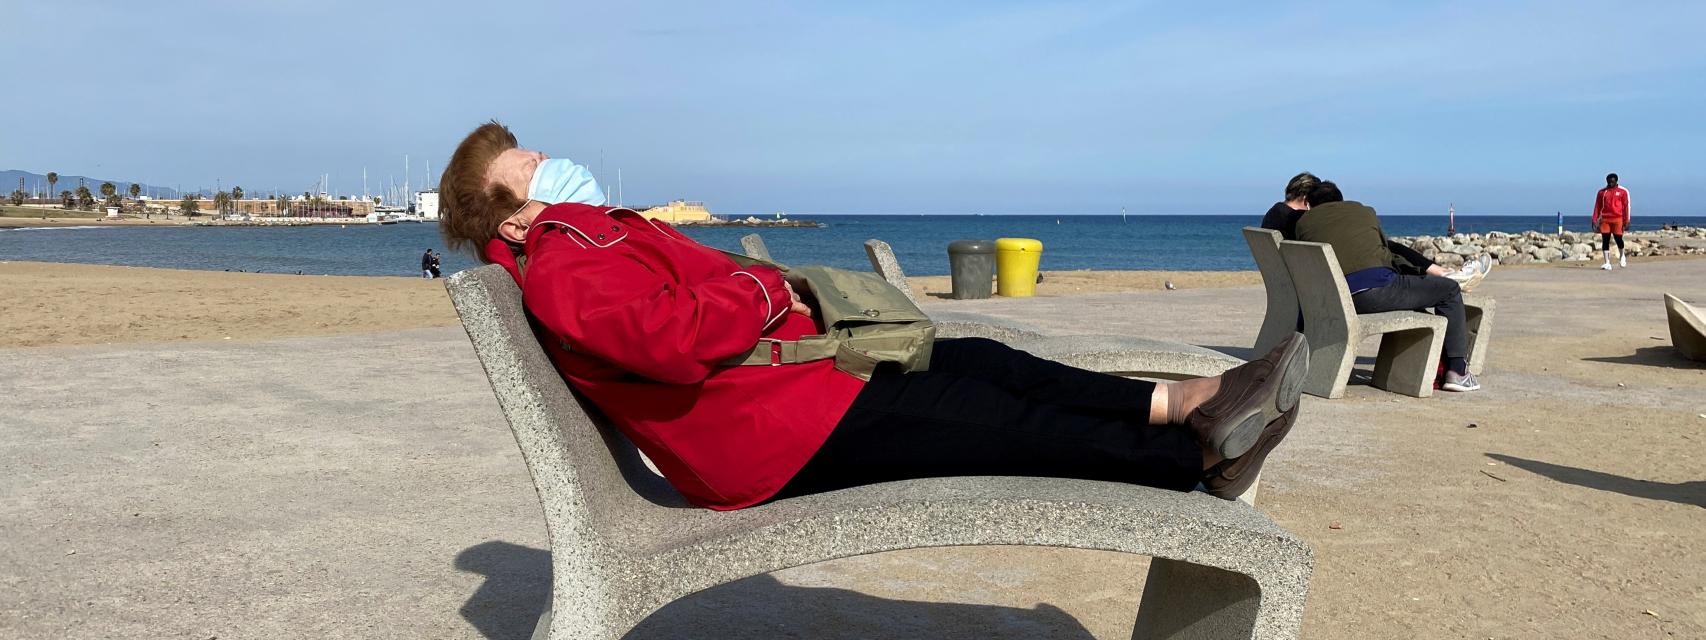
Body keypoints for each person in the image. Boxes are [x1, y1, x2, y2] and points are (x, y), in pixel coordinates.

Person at [436, 121, 1309, 511]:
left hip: (788, 395)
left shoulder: (574, 244)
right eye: (531, 165)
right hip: (771, 435)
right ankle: (1192, 459)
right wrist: (768, 291)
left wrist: (763, 298)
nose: (552, 162)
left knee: (981, 363)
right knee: (986, 417)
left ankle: (1190, 400)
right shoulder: (560, 258)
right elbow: (668, 339)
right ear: (511, 215)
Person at [1295, 181, 1481, 392]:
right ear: (1340, 199)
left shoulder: (1303, 224)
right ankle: (1457, 372)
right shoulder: (1364, 212)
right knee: (1449, 290)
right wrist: (1423, 271)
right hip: (1375, 294)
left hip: (1333, 300)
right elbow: (1386, 253)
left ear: (1309, 204)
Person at [1263, 172, 1489, 291]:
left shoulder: (1275, 215)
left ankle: (1444, 274)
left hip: (1305, 285)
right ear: (1306, 199)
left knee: (1385, 250)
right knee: (1387, 248)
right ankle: (1444, 275)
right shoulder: (1300, 220)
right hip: (1331, 289)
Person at [1593, 173, 1631, 270]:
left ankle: (1622, 256)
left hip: (1618, 218)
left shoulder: (1623, 192)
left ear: (1616, 181)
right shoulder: (1601, 192)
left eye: (1612, 182)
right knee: (1605, 239)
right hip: (1605, 219)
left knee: (1618, 238)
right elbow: (1597, 206)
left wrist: (1627, 221)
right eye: (1609, 182)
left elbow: (1626, 207)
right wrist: (1594, 219)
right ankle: (1607, 263)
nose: (1610, 184)